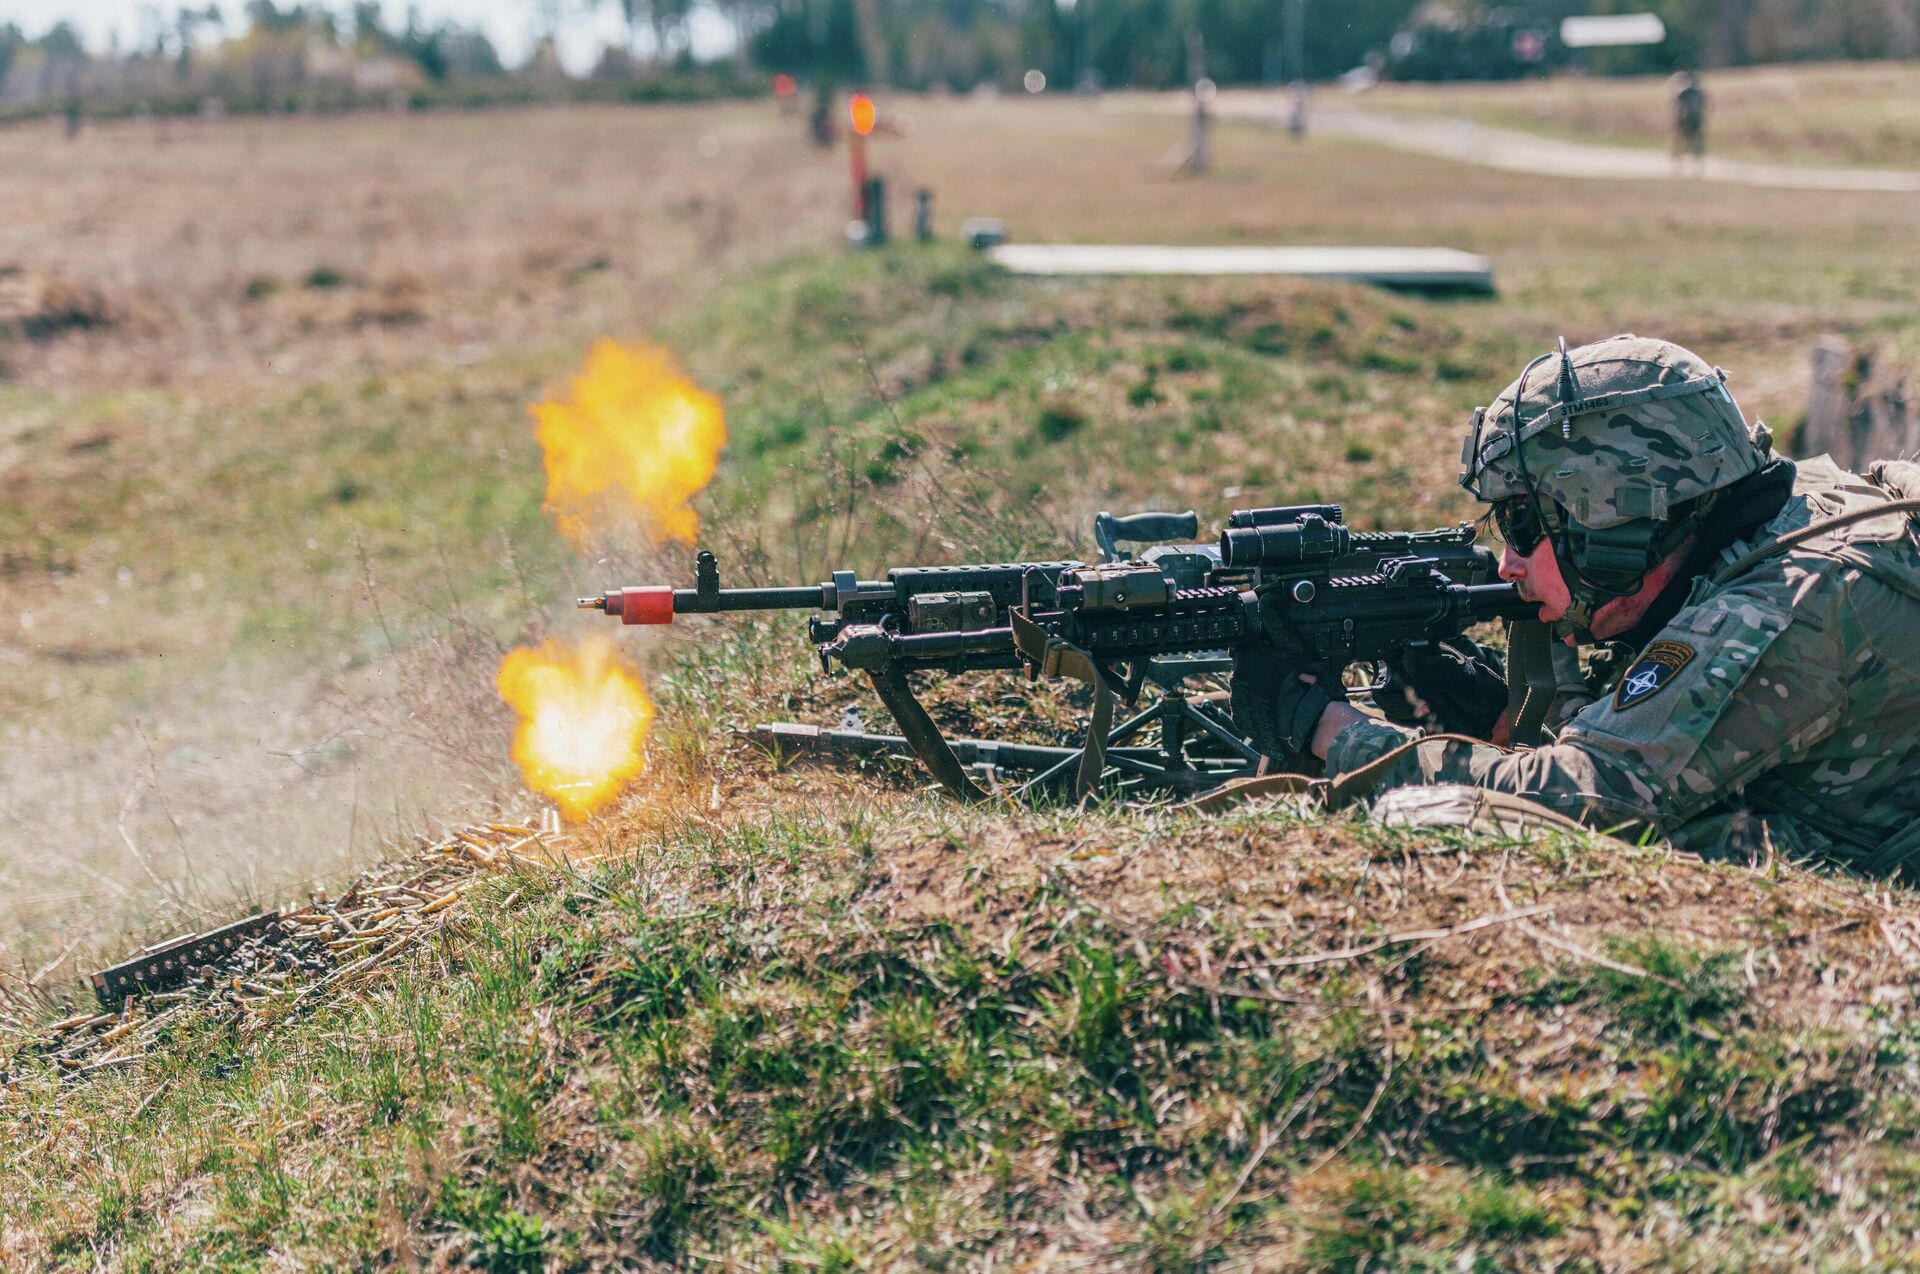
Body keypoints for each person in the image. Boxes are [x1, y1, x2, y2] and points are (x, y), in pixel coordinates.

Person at [1230, 335, 1920, 873]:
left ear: (1615, 528)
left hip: (1874, 881)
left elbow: (1592, 799)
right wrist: (1501, 714)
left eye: (1526, 526)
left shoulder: (1786, 606)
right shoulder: (1792, 507)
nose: (1509, 563)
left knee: (1637, 843)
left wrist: (1334, 731)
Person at [1669, 69, 1706, 176]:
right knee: (1684, 143)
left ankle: (1691, 167)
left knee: (1692, 144)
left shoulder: (1688, 92)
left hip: (1690, 120)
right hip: (1688, 120)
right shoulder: (1692, 92)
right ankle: (1679, 166)